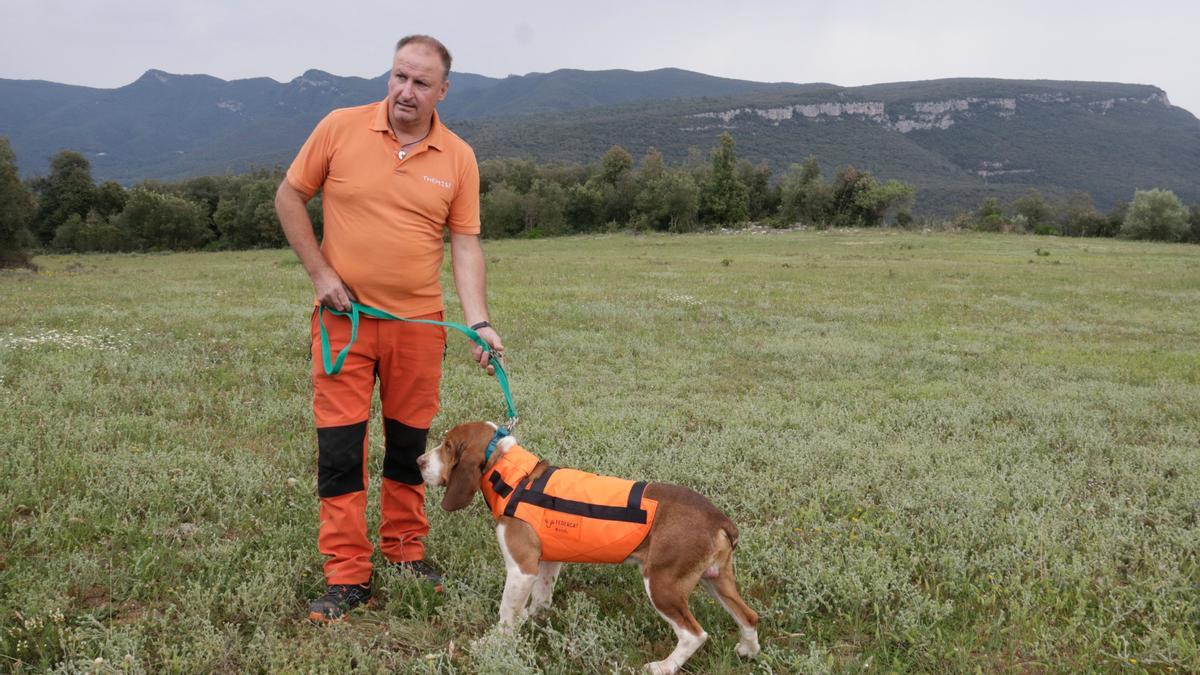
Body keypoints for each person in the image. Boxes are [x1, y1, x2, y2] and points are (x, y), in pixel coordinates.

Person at [275, 34, 502, 623]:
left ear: (442, 91)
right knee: (340, 449)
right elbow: (289, 197)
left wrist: (477, 320)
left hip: (418, 328)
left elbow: (465, 244)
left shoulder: (459, 157)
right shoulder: (339, 127)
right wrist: (321, 273)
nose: (406, 91)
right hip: (343, 325)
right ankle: (347, 574)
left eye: (421, 82)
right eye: (399, 76)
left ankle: (404, 552)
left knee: (408, 446)